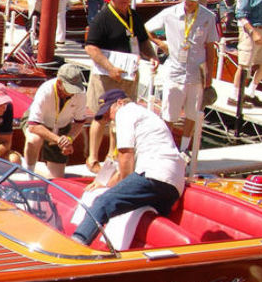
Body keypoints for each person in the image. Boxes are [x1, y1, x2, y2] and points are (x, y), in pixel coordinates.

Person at [70, 90, 186, 247]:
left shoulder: (126, 112)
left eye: (108, 112)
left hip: (154, 174)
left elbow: (126, 156)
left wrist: (114, 188)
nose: (110, 118)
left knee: (102, 202)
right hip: (173, 184)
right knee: (142, 216)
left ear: (119, 103)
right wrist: (108, 183)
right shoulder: (146, 116)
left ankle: (75, 246)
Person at [84, 0, 158, 172]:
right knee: (101, 117)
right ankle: (92, 157)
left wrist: (152, 56)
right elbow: (91, 47)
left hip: (128, 75)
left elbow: (142, 40)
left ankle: (112, 154)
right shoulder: (103, 17)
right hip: (107, 76)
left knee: (122, 117)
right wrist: (110, 68)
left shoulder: (133, 16)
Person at [145, 0, 219, 154]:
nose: (189, 4)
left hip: (196, 73)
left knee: (193, 114)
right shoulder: (169, 13)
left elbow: (210, 48)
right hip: (175, 71)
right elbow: (146, 29)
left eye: (193, 0)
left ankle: (185, 148)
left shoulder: (208, 17)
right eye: (187, 0)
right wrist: (160, 44)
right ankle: (166, 147)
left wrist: (210, 74)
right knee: (169, 113)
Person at [23, 63, 88, 178]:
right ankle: (29, 174)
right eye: (69, 89)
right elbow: (33, 126)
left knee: (56, 178)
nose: (72, 93)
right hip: (40, 123)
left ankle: (38, 169)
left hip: (62, 126)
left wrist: (69, 139)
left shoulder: (81, 94)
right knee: (34, 140)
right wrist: (59, 140)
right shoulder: (45, 90)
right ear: (59, 83)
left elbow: (79, 122)